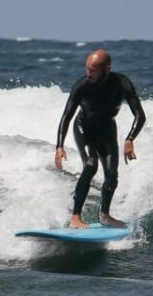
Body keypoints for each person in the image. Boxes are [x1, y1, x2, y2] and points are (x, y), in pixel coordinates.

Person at [54, 49, 146, 228]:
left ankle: (105, 215)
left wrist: (130, 139)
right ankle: (75, 217)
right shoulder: (82, 85)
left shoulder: (122, 83)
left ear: (107, 68)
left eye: (93, 70)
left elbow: (140, 115)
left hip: (107, 130)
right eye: (87, 69)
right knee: (90, 165)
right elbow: (67, 116)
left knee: (111, 175)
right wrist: (59, 145)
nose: (88, 73)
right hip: (84, 128)